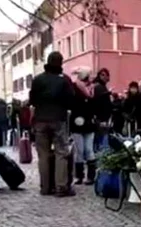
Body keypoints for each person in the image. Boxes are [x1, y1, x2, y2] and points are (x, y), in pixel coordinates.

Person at [29, 51, 76, 196]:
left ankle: (45, 187)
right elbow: (71, 101)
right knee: (61, 152)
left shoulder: (38, 79)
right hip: (58, 119)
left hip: (40, 120)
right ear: (60, 63)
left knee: (43, 154)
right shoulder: (64, 80)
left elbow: (32, 100)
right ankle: (61, 186)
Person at [69, 68, 97, 185]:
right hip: (77, 122)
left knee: (89, 150)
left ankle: (90, 176)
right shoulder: (74, 88)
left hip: (88, 123)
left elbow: (94, 104)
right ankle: (79, 176)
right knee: (79, 151)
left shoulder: (92, 89)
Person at [91, 68, 112, 151]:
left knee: (99, 137)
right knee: (101, 138)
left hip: (100, 117)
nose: (106, 78)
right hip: (101, 117)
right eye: (105, 75)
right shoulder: (99, 87)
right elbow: (101, 102)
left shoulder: (100, 86)